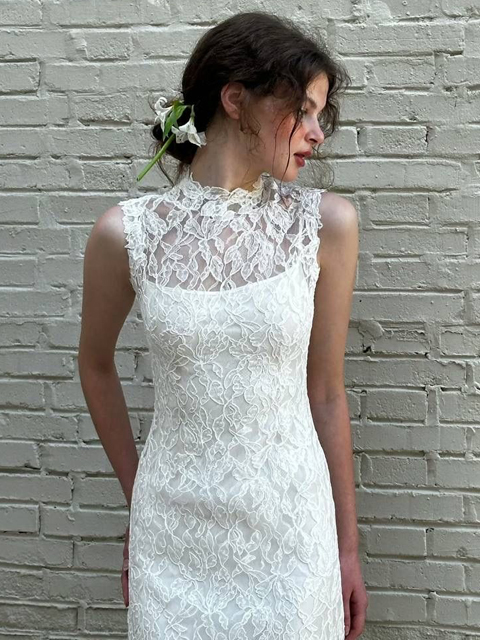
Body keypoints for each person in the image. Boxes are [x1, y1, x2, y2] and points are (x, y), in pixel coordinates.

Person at [78, 10, 368, 640]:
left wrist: (347, 548)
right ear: (236, 100)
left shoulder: (326, 226)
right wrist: (140, 498)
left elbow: (326, 393)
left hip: (292, 535)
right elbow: (94, 366)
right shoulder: (127, 234)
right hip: (173, 535)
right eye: (304, 111)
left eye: (321, 115)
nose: (317, 134)